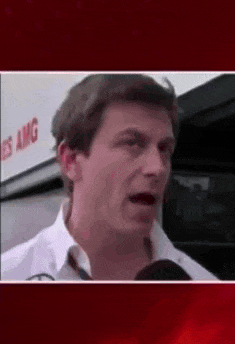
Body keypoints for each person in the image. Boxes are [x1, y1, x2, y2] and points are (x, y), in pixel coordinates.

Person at [1, 74, 219, 281]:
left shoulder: (205, 289)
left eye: (165, 149)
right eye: (132, 143)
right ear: (71, 161)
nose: (158, 168)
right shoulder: (11, 275)